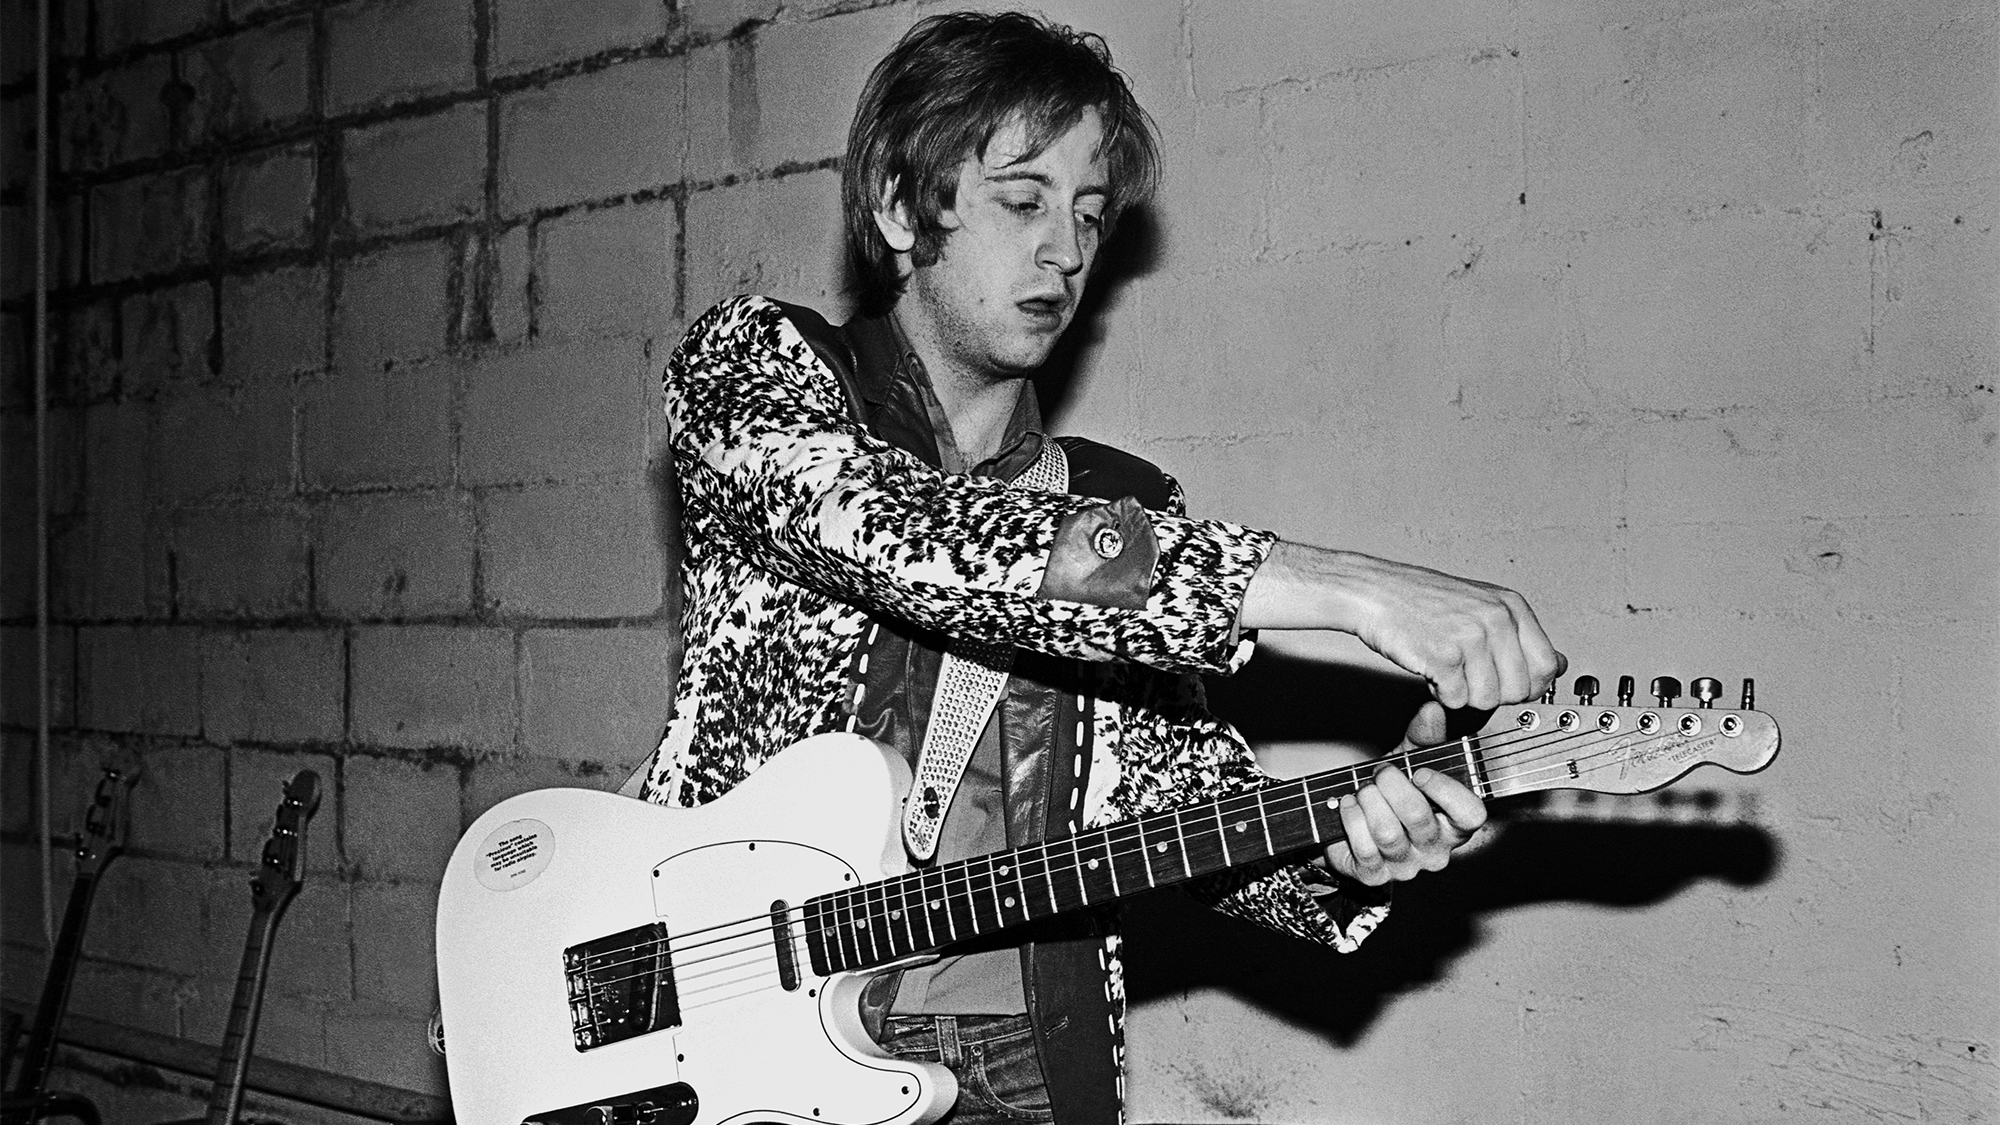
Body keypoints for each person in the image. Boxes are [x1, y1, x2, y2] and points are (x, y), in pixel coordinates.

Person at [637, 12, 1564, 1123]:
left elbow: (1191, 810)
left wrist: (1346, 845)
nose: (1064, 252)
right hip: (726, 1016)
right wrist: (1337, 585)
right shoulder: (760, 369)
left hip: (1025, 1057)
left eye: (1086, 215)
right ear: (895, 204)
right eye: (1022, 201)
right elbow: (901, 534)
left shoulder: (1126, 506)